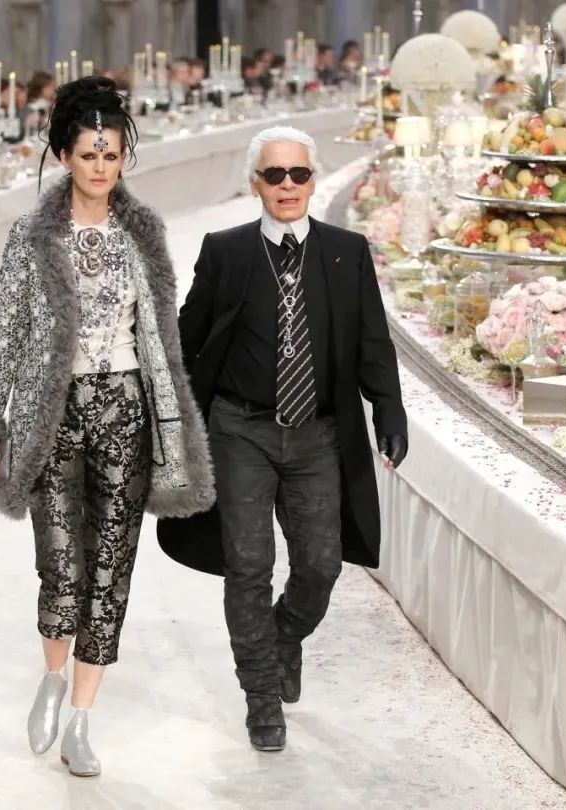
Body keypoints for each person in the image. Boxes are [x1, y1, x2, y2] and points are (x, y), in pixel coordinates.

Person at [0, 76, 215, 777]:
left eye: (111, 155)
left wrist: (177, 419)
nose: (101, 167)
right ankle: (51, 676)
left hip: (126, 410)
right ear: (63, 156)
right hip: (53, 413)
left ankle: (82, 718)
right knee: (60, 563)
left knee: (112, 566)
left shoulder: (143, 234)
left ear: (124, 157)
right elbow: (4, 336)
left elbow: (162, 337)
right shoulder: (31, 237)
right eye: (88, 155)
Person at [157, 126, 408, 753]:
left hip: (318, 432)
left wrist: (389, 410)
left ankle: (282, 637)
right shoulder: (226, 251)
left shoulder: (347, 252)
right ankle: (262, 697)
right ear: (256, 184)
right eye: (275, 175)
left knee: (321, 565)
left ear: (313, 180)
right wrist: (164, 411)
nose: (288, 185)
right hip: (240, 429)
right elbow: (188, 337)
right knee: (247, 565)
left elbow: (372, 340)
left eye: (299, 173)